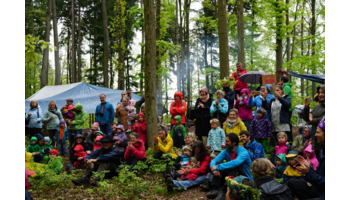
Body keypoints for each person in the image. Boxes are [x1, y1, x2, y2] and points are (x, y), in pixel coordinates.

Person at [207, 133, 253, 199]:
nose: (225, 143)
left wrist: (218, 167)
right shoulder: (227, 151)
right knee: (218, 162)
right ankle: (216, 189)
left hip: (245, 176)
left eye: (227, 141)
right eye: (225, 141)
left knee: (234, 165)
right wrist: (214, 170)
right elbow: (214, 160)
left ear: (234, 142)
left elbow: (235, 163)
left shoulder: (243, 152)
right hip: (232, 176)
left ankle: (224, 191)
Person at [289, 117, 325, 200]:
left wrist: (309, 172)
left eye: (318, 132)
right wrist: (309, 169)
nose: (315, 135)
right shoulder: (322, 151)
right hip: (320, 188)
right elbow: (319, 174)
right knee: (292, 183)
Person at [303, 85, 325, 159]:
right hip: (315, 139)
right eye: (319, 93)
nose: (320, 95)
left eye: (323, 92)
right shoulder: (317, 106)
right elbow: (307, 120)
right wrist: (306, 107)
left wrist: (312, 120)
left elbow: (323, 120)